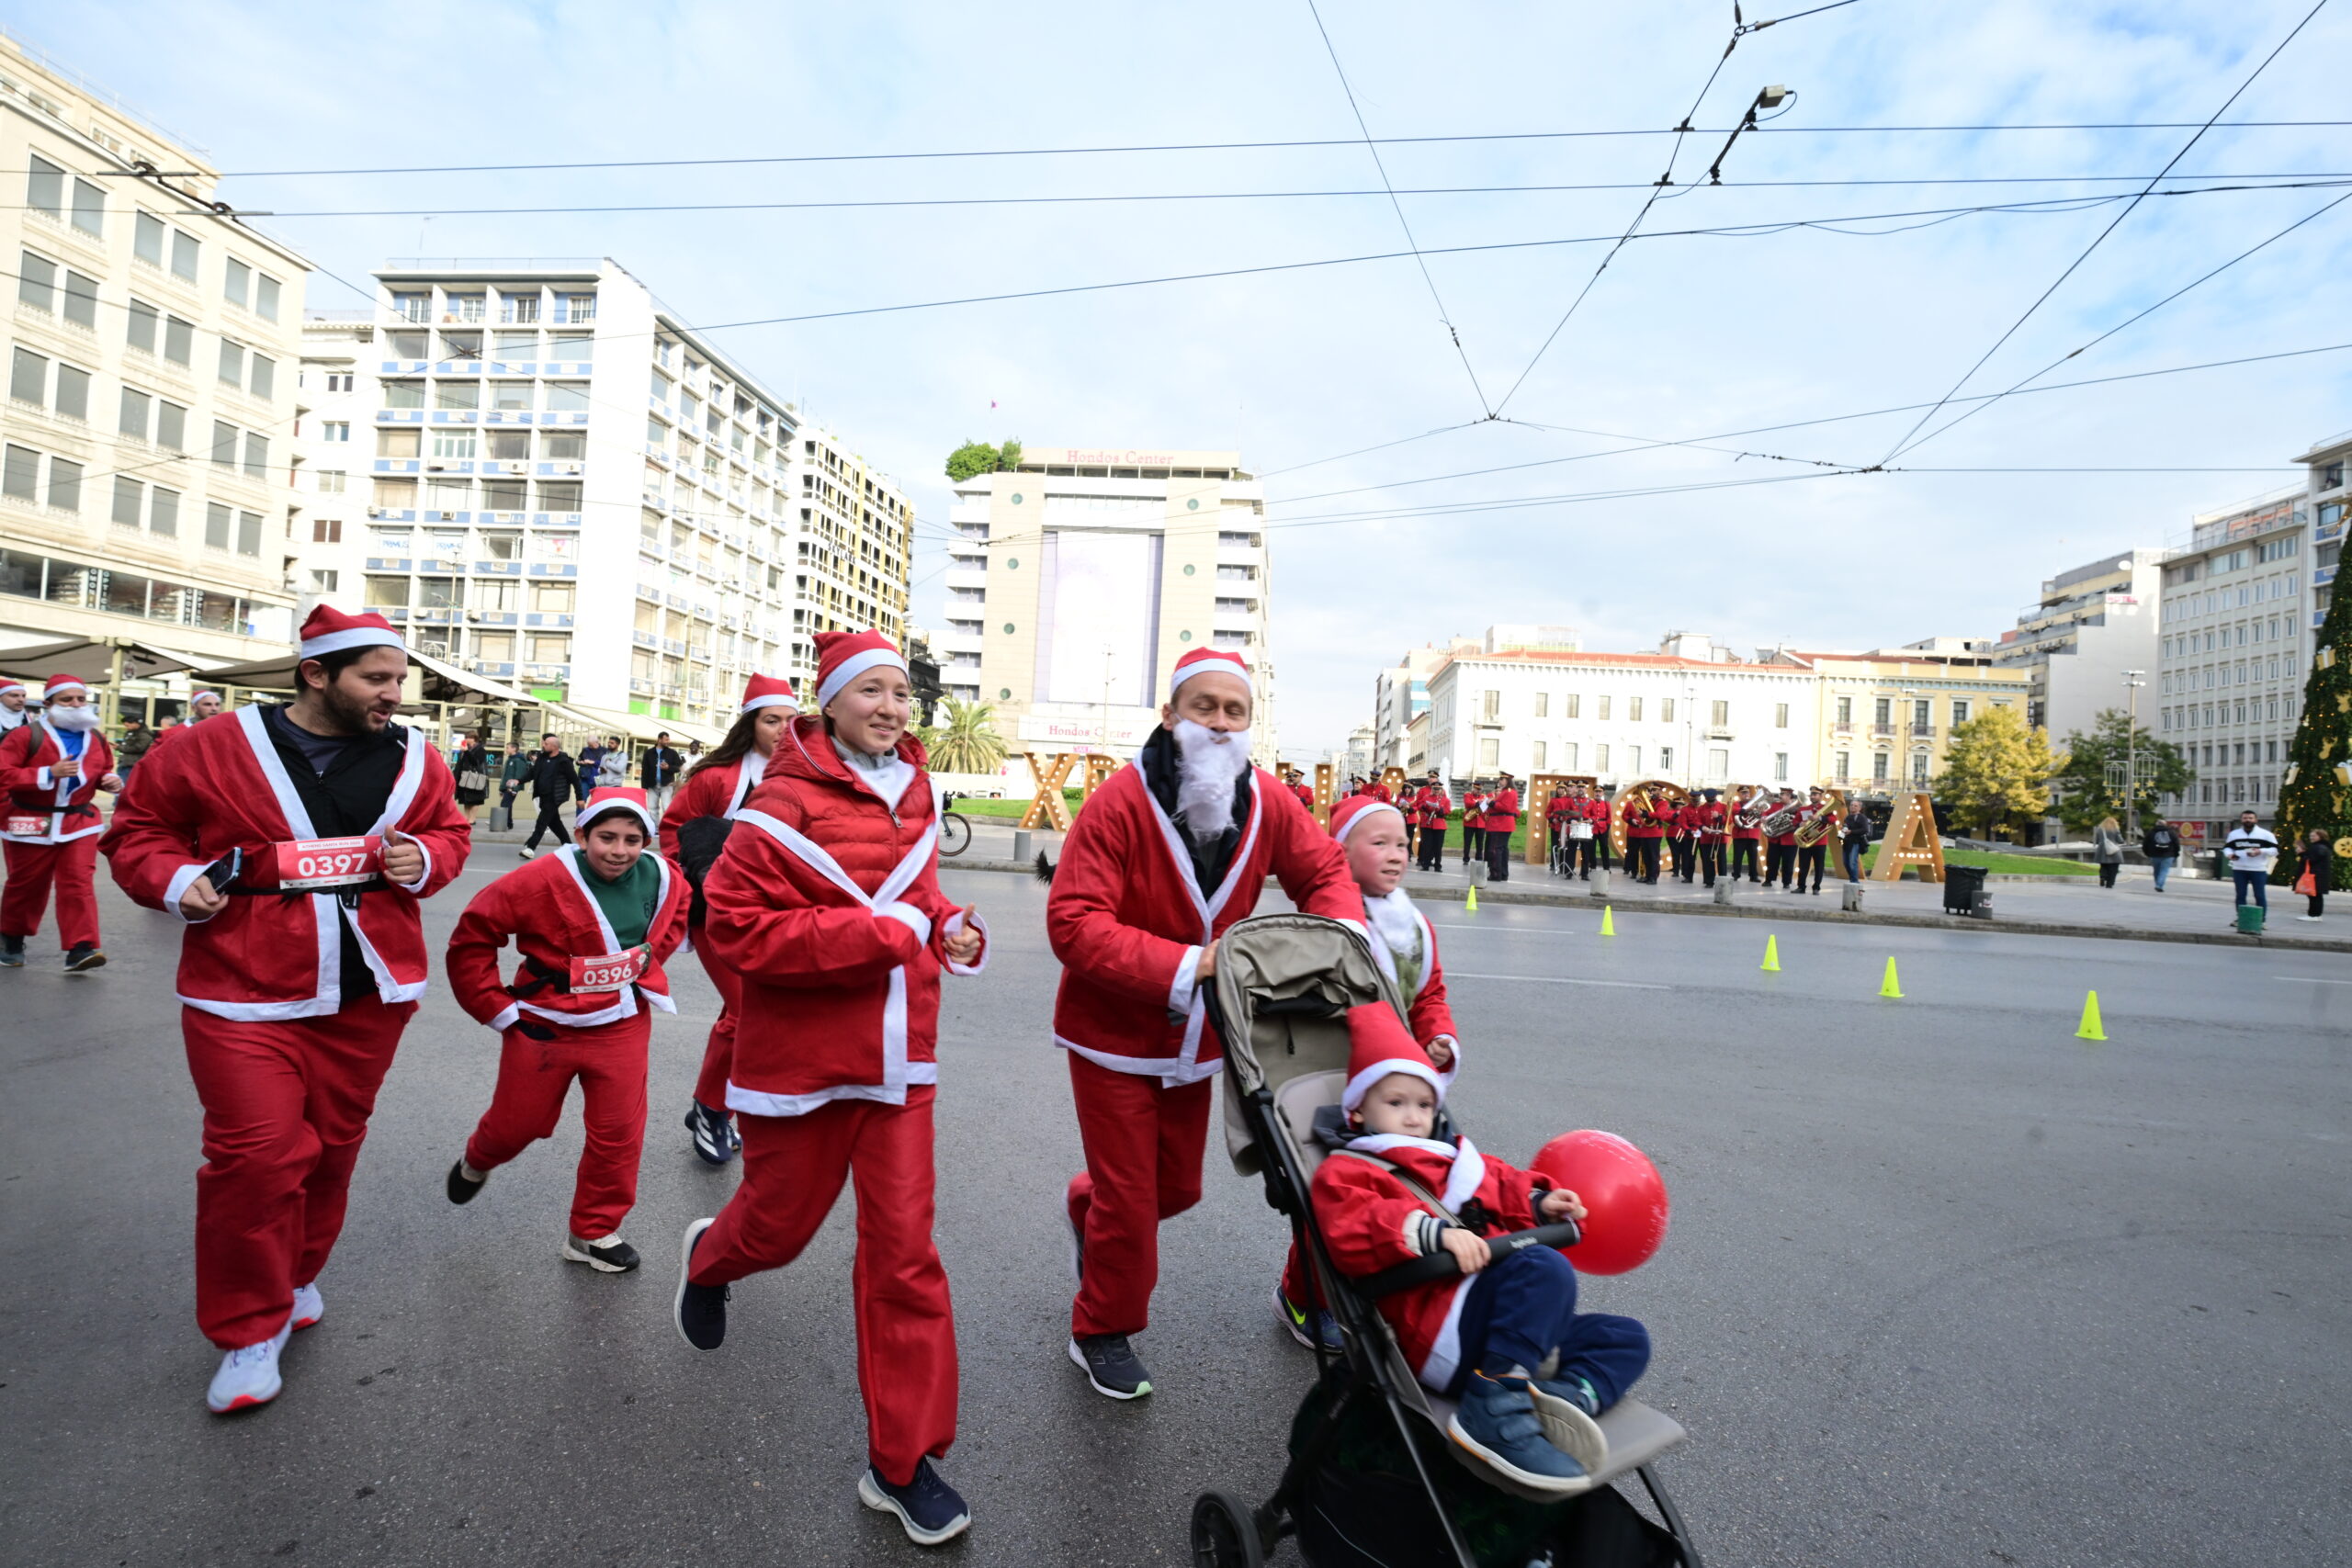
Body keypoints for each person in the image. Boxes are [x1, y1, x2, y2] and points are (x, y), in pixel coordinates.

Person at [101, 604, 471, 1414]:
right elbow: (137, 832)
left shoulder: (419, 757)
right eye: (376, 678)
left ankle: (297, 1274)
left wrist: (426, 856)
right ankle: (247, 1328)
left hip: (370, 993)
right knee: (257, 1159)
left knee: (331, 1151)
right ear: (316, 674)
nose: (395, 693)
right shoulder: (205, 745)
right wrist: (173, 880)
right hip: (240, 991)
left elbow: (450, 832)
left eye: (400, 678)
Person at [674, 632, 987, 1547]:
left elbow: (916, 898)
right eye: (871, 692)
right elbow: (736, 929)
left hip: (901, 1058)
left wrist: (950, 927)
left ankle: (902, 1463)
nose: (891, 708)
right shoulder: (779, 801)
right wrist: (884, 937)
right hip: (800, 1064)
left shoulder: (916, 787)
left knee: (905, 1256)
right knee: (778, 1229)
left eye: (901, 693)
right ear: (831, 704)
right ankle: (711, 1259)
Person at [1045, 646, 1357, 1402]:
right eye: (1203, 706)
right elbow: (1073, 922)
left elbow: (1324, 870)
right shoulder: (1119, 801)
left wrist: (1339, 935)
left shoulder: (1268, 800)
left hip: (1201, 1039)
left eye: (1234, 710)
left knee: (1173, 1192)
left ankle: (1088, 1208)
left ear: (1249, 723)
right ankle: (1102, 1327)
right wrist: (1192, 964)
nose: (1219, 722)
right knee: (1130, 1203)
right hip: (1112, 1036)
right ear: (1171, 715)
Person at [1311, 1005, 1649, 1492]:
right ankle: (1493, 1405)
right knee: (1543, 1267)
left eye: (1424, 1104)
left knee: (1626, 1337)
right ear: (1358, 1110)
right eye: (1396, 1102)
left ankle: (1562, 1398)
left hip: (1497, 1325)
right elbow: (1355, 1225)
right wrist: (1436, 1233)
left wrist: (1542, 1203)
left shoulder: (1456, 1160)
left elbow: (1506, 1186)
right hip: (1435, 1325)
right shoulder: (1349, 1171)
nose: (1413, 1116)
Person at [445, 786, 690, 1271]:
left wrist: (642, 963)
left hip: (621, 1023)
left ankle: (591, 1232)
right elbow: (473, 934)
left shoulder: (663, 875)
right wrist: (497, 1008)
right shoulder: (539, 877)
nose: (619, 851)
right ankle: (479, 1158)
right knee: (517, 1125)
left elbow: (675, 915)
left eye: (632, 840)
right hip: (545, 1022)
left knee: (620, 1134)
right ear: (581, 835)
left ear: (646, 841)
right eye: (606, 837)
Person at [1273, 795, 1459, 1352]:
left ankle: (1370, 1290)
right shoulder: (1325, 917)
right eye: (1379, 843)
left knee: (1403, 1192)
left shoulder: (1414, 924)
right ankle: (1303, 1296)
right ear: (1340, 851)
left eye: (1402, 843)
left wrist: (1439, 1037)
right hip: (1334, 1077)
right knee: (1334, 1197)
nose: (1397, 854)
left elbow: (1429, 994)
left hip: (1400, 1087)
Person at [660, 673, 800, 1166]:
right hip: (716, 912)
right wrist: (699, 880)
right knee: (747, 1012)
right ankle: (713, 1110)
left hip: (781, 915)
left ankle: (713, 1102)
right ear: (750, 724)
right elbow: (673, 833)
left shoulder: (809, 776)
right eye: (771, 720)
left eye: (791, 720)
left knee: (745, 1012)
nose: (783, 730)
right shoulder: (715, 778)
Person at [1, 674, 122, 972]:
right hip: (30, 819)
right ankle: (11, 938)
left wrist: (109, 780)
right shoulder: (25, 736)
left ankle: (81, 948)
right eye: (66, 699)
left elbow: (103, 769)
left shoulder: (96, 737)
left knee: (78, 883)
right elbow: (4, 774)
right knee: (27, 885)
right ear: (48, 703)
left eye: (81, 698)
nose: (76, 704)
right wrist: (47, 773)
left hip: (79, 820)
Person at [519, 733, 578, 857]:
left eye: (546, 744)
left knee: (542, 821)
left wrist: (580, 798)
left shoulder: (563, 761)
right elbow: (532, 773)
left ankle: (531, 847)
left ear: (554, 747)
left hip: (555, 796)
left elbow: (575, 780)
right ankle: (569, 846)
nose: (543, 745)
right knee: (554, 822)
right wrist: (518, 781)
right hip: (543, 795)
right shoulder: (542, 758)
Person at [2222, 809, 2278, 921]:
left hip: (2258, 869)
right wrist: (2230, 855)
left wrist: (2260, 851)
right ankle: (2241, 918)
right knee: (2240, 895)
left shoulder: (2266, 834)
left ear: (2256, 820)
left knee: (2259, 895)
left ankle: (2261, 920)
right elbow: (2227, 848)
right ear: (2241, 820)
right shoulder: (2234, 834)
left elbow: (2275, 850)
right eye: (2245, 818)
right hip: (2239, 868)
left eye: (2250, 818)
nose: (2248, 820)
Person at [1482, 771, 1520, 883]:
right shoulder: (1506, 792)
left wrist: (1491, 803)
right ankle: (1503, 873)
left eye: (1502, 779)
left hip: (1500, 824)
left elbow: (1506, 807)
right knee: (1502, 849)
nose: (1500, 781)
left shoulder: (1508, 792)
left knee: (1495, 849)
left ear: (1507, 781)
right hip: (1502, 824)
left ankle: (1495, 874)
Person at [1623, 791, 1665, 884]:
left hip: (1654, 832)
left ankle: (1653, 877)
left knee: (1653, 856)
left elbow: (1659, 814)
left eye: (1653, 791)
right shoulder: (1636, 802)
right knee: (1646, 856)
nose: (1651, 793)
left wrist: (1645, 814)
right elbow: (1625, 815)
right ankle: (1647, 875)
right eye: (1650, 791)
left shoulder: (1662, 802)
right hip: (1643, 832)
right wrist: (1632, 820)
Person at [1411, 772, 1450, 873]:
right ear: (1432, 789)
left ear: (1441, 789)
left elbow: (1448, 810)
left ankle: (1438, 865)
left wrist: (1442, 811)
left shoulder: (1445, 799)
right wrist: (1424, 807)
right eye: (1435, 789)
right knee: (1427, 845)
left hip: (1439, 824)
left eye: (1438, 789)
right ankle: (1426, 864)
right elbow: (1420, 805)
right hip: (1427, 823)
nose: (1437, 790)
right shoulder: (1426, 797)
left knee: (1438, 846)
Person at [640, 731, 685, 816]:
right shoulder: (649, 753)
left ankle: (666, 824)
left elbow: (678, 768)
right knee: (652, 809)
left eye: (668, 739)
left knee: (667, 808)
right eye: (666, 740)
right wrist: (644, 787)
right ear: (659, 740)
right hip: (652, 785)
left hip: (667, 785)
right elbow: (645, 770)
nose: (668, 741)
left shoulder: (672, 753)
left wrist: (668, 767)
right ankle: (654, 825)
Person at [2294, 828, 2333, 921]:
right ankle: (2316, 915)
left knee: (2314, 896)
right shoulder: (2323, 846)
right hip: (2319, 875)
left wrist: (2301, 853)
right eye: (2310, 836)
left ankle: (2313, 915)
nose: (2311, 837)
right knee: (2316, 896)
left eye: (2314, 836)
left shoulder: (2318, 847)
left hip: (2315, 875)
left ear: (2321, 836)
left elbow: (2311, 860)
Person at [1728, 787, 1765, 884]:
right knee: (1738, 856)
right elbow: (1735, 811)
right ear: (1739, 794)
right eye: (1743, 793)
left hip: (1753, 834)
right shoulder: (1737, 804)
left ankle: (1753, 876)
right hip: (1740, 834)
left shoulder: (1756, 805)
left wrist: (1760, 814)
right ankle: (1736, 874)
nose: (1746, 795)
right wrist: (1748, 809)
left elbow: (1760, 817)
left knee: (1753, 857)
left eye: (1747, 793)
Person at [451, 732, 492, 817]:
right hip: (463, 778)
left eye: (469, 738)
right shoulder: (464, 749)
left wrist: (466, 751)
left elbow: (476, 762)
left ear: (474, 739)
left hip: (474, 778)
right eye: (466, 737)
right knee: (465, 800)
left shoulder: (480, 749)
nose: (467, 739)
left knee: (475, 800)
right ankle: (466, 818)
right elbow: (460, 763)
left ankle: (472, 819)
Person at [2141, 815, 2182, 892]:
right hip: (2168, 855)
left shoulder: (2151, 832)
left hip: (2154, 855)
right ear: (2165, 824)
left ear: (2156, 824)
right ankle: (2159, 885)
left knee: (2156, 871)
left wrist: (2147, 853)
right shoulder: (2171, 832)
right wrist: (2176, 854)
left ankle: (2158, 884)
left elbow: (2145, 844)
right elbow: (2176, 844)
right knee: (2164, 871)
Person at [574, 736, 613, 807]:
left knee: (598, 800)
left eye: (591, 745)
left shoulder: (605, 751)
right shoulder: (585, 750)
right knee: (581, 799)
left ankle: (595, 813)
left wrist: (593, 762)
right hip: (585, 778)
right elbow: (578, 760)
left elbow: (608, 764)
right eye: (589, 745)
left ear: (597, 742)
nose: (590, 746)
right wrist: (580, 762)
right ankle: (580, 814)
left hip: (599, 779)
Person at [1840, 798, 1872, 883]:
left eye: (1855, 806)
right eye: (1851, 805)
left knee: (1852, 862)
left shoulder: (1862, 817)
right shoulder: (1847, 817)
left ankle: (1854, 881)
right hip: (1846, 843)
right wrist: (1842, 832)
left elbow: (1865, 829)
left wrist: (1851, 832)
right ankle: (1852, 879)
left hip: (1856, 842)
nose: (1853, 807)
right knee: (1845, 862)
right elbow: (1845, 828)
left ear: (1859, 808)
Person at [2092, 816, 2126, 889]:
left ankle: (2103, 877)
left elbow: (2097, 841)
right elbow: (2120, 840)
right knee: (2114, 868)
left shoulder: (2099, 829)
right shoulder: (2115, 829)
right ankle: (2109, 884)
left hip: (2102, 850)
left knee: (2103, 865)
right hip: (2113, 851)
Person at [117, 716, 153, 782]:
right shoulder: (130, 733)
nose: (127, 728)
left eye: (128, 725)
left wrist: (120, 748)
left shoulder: (144, 735)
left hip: (133, 764)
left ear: (135, 723)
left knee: (125, 784)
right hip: (125, 763)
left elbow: (138, 748)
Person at [1459, 782, 1487, 866]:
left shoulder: (1484, 797)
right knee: (1467, 842)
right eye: (1477, 789)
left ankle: (1479, 858)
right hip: (1470, 823)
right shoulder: (1468, 795)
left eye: (1480, 789)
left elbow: (1485, 808)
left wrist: (1479, 805)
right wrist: (1478, 803)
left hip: (1481, 823)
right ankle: (1466, 858)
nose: (1478, 791)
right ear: (1473, 788)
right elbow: (1468, 804)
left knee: (1480, 843)